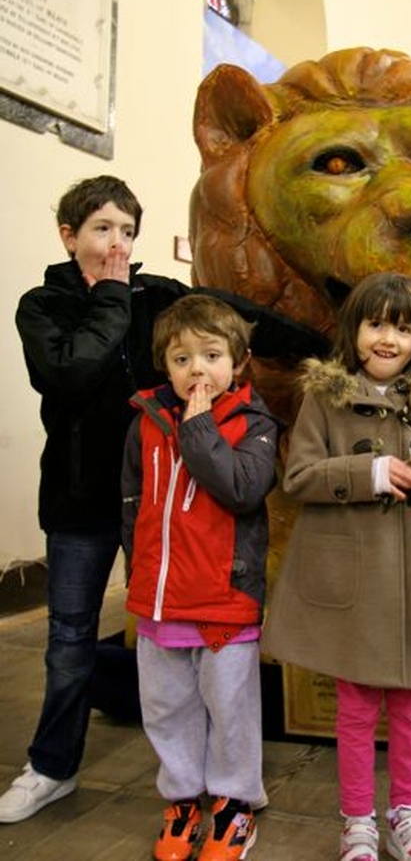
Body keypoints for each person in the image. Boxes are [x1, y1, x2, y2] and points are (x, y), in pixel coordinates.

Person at [0, 175, 318, 825]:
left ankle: (210, 786)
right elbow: (71, 370)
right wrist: (113, 295)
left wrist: (332, 347)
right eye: (101, 229)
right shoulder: (45, 304)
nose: (117, 243)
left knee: (174, 647)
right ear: (69, 237)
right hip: (81, 498)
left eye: (126, 231)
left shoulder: (160, 296)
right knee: (68, 640)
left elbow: (237, 317)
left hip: (168, 505)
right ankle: (52, 767)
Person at [261, 273, 411, 861]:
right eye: (376, 324)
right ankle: (357, 819)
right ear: (353, 332)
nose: (388, 339)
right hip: (352, 582)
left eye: (403, 329)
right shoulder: (322, 398)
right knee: (355, 710)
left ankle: (408, 809)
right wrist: (371, 473)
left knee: (410, 708)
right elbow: (298, 477)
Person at [122, 293, 278, 861]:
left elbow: (241, 488)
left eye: (211, 356)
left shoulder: (255, 423)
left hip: (223, 598)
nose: (197, 370)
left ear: (238, 362)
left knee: (229, 706)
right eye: (181, 359)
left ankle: (235, 802)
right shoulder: (145, 420)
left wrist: (199, 428)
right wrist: (139, 577)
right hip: (160, 599)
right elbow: (132, 505)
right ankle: (184, 796)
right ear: (165, 365)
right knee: (167, 704)